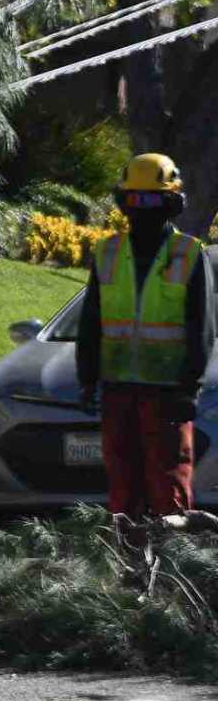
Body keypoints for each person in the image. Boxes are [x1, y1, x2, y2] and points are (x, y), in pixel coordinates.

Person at [75, 153, 213, 525]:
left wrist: (190, 389)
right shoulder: (108, 252)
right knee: (123, 489)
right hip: (118, 389)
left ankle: (172, 568)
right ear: (124, 203)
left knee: (168, 484)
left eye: (151, 200)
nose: (143, 210)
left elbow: (202, 327)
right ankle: (132, 567)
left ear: (171, 203)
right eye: (135, 200)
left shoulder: (188, 254)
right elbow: (91, 321)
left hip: (167, 393)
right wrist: (87, 379)